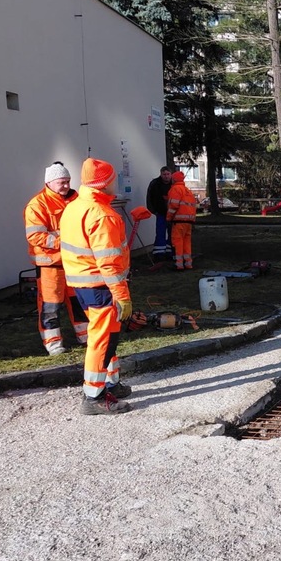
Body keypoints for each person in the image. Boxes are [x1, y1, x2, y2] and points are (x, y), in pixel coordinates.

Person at [60, 158, 134, 415]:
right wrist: (122, 296)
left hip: (82, 284)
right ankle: (94, 396)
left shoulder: (75, 206)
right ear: (104, 184)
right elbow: (110, 264)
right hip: (101, 286)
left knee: (106, 336)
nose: (116, 182)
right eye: (112, 178)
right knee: (102, 341)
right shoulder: (103, 215)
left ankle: (110, 382)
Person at [24, 161, 88, 356]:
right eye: (62, 182)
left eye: (68, 181)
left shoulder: (77, 200)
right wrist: (66, 242)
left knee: (78, 301)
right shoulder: (37, 205)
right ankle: (53, 343)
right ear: (50, 183)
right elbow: (35, 235)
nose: (67, 186)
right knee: (50, 305)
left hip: (74, 263)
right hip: (50, 266)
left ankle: (85, 336)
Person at [165, 170, 197, 270]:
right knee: (187, 242)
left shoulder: (175, 189)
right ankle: (188, 263)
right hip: (189, 221)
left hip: (178, 221)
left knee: (177, 242)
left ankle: (179, 264)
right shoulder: (187, 190)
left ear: (174, 179)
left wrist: (169, 217)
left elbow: (174, 205)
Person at [146, 166, 173, 262]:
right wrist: (153, 211)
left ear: (171, 174)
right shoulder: (155, 184)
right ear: (161, 174)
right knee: (160, 233)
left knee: (172, 234)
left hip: (173, 214)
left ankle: (171, 253)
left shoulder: (175, 184)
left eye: (167, 174)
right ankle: (159, 254)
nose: (166, 176)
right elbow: (149, 198)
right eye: (164, 174)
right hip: (160, 213)